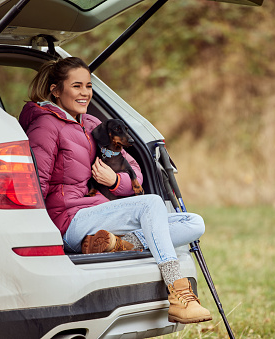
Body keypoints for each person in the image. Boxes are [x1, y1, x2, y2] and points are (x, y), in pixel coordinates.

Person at [18, 57, 212, 324]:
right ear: (55, 89)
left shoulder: (92, 124)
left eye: (88, 85)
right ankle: (179, 293)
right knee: (151, 203)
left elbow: (136, 171)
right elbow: (36, 181)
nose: (85, 93)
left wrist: (114, 182)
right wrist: (38, 234)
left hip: (101, 215)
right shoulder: (45, 125)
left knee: (194, 223)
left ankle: (117, 244)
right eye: (76, 86)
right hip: (70, 220)